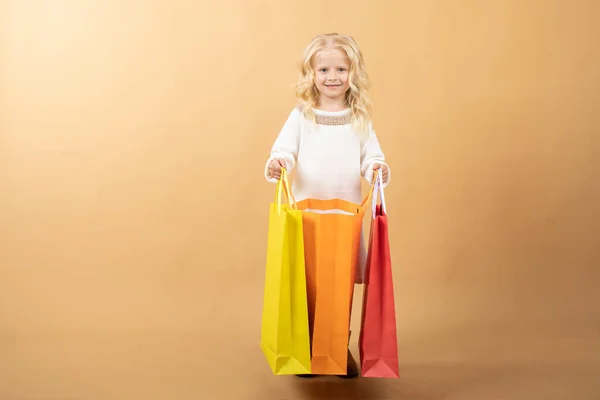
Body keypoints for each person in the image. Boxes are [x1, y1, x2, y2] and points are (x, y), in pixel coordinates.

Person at [263, 33, 391, 379]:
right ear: (311, 73)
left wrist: (377, 169)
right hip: (307, 218)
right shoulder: (302, 115)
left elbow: (371, 158)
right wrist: (278, 163)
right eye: (324, 69)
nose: (332, 76)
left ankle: (337, 350)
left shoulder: (359, 118)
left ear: (353, 73)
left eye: (340, 69)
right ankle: (305, 350)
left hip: (343, 219)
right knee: (307, 285)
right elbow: (284, 149)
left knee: (339, 286)